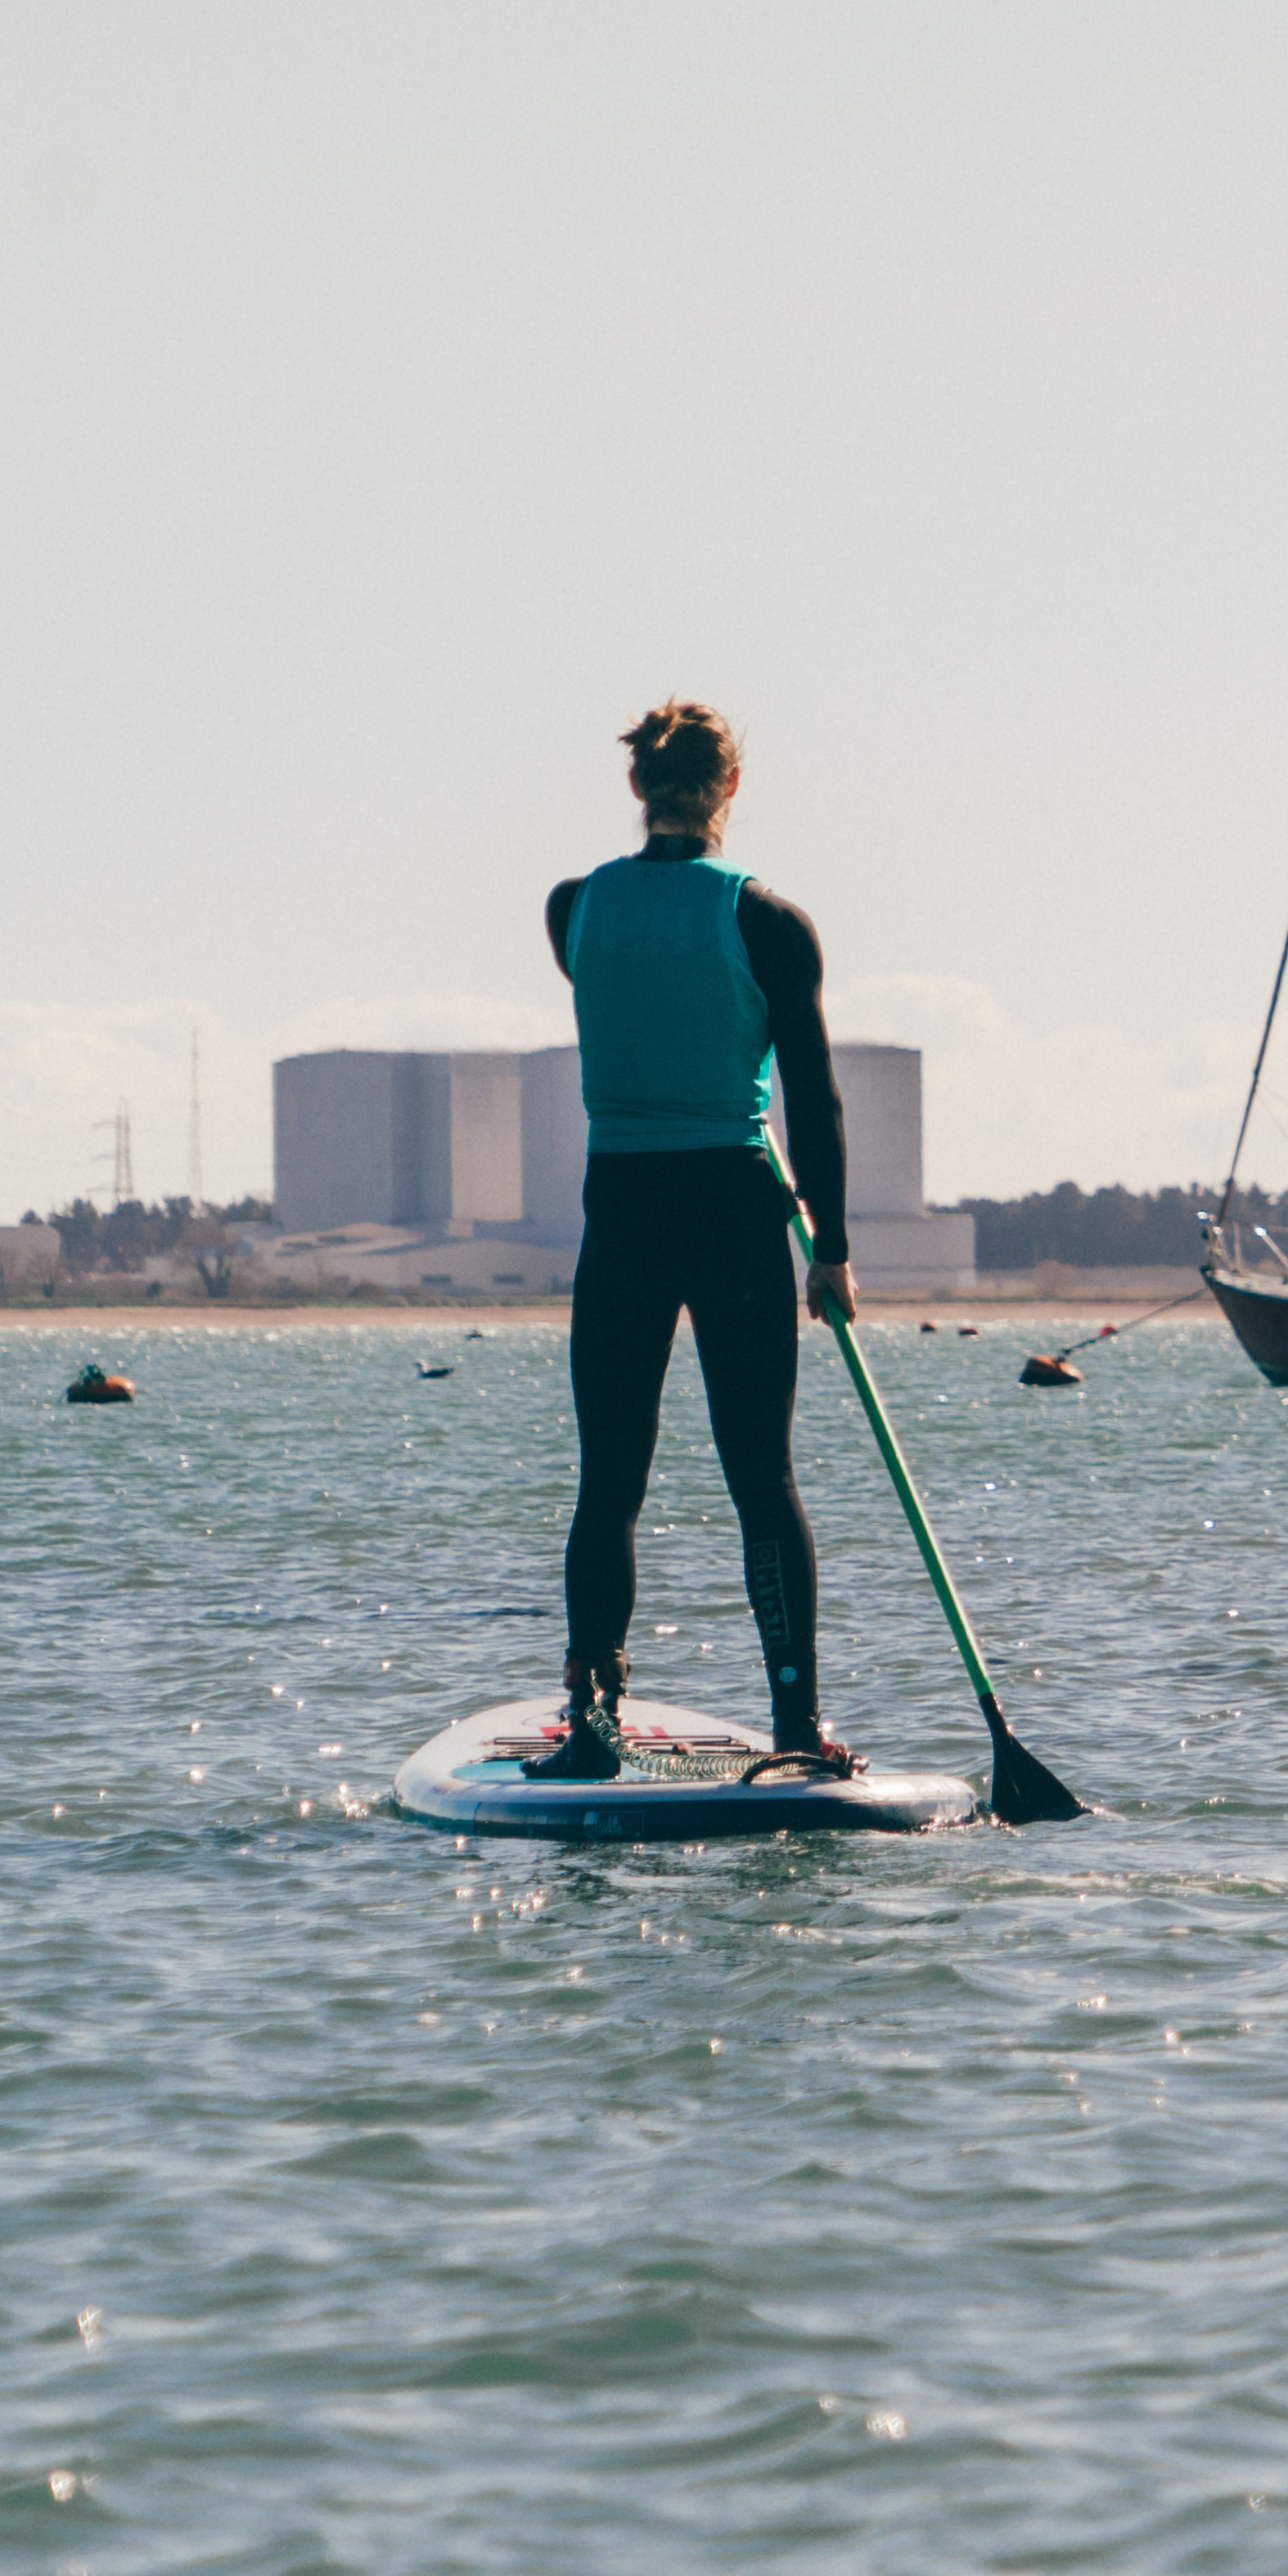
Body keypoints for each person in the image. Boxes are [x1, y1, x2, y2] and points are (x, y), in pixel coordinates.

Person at [529, 700, 855, 1780]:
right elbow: (812, 1096)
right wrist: (835, 1248)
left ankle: (589, 1720)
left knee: (609, 1480)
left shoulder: (572, 909)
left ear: (639, 788)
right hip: (734, 1207)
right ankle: (798, 1726)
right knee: (762, 1478)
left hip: (621, 1211)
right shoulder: (769, 921)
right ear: (730, 789)